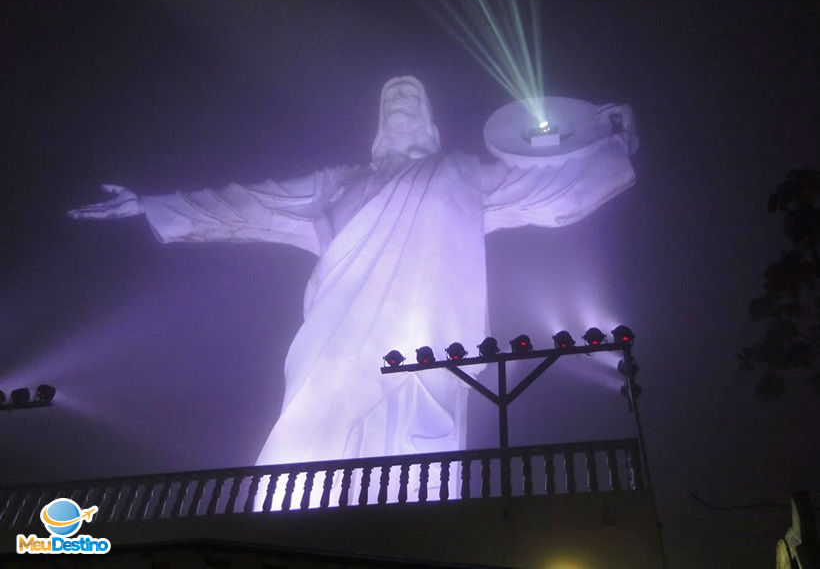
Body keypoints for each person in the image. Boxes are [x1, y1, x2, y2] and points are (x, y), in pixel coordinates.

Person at [69, 76, 637, 477]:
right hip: (336, 334)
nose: (400, 100)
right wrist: (153, 205)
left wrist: (609, 141)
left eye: (411, 95)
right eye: (391, 96)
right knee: (307, 444)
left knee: (414, 451)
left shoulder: (461, 174)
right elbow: (250, 203)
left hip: (423, 336)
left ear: (430, 120)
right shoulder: (336, 184)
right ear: (378, 121)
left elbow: (543, 191)